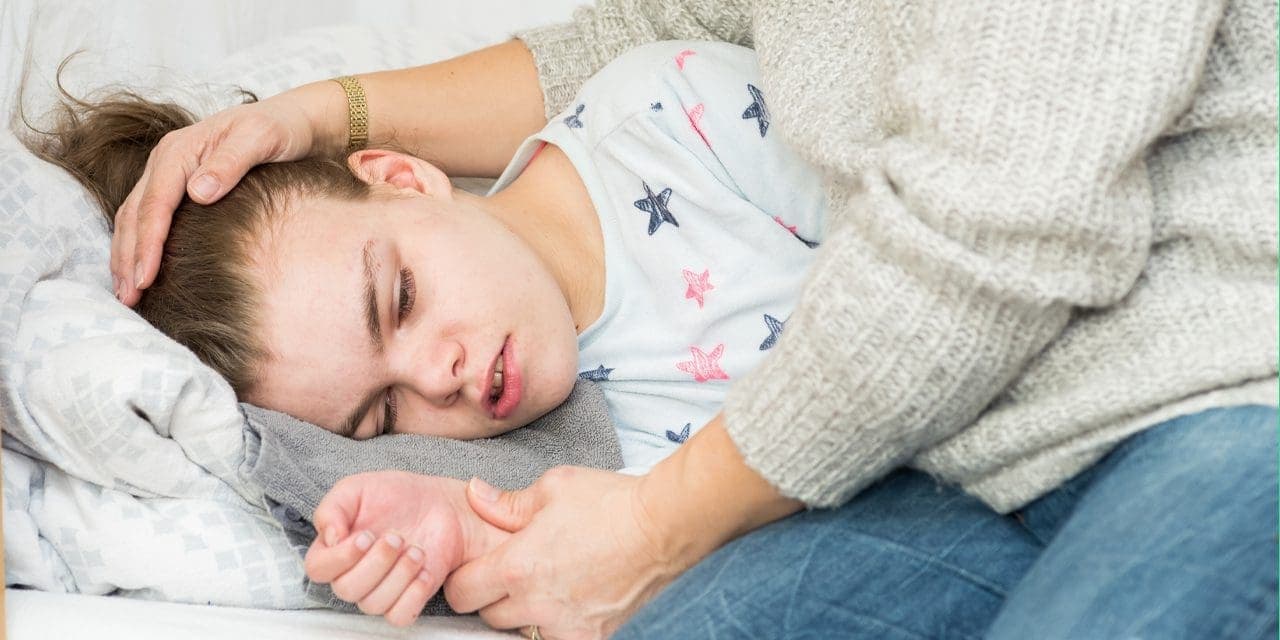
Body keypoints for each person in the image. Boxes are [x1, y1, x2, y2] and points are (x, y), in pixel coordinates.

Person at [105, 1, 1276, 638]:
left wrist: (658, 525)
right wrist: (448, 526)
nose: (446, 374)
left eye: (401, 301)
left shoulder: (679, 136)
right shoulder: (570, 391)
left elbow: (974, 252)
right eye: (387, 409)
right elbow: (688, 17)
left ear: (408, 181)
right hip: (965, 471)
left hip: (1206, 382)